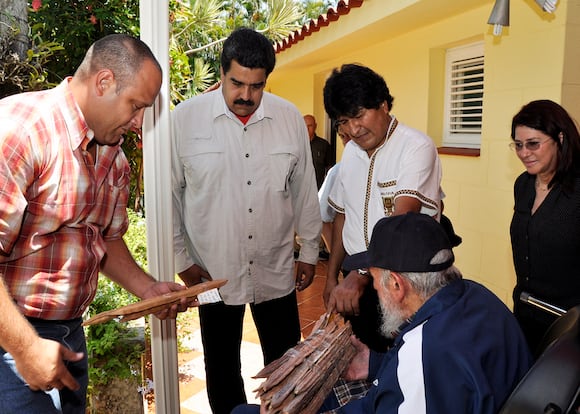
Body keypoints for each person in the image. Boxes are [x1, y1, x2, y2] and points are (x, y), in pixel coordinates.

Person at [0, 34, 191, 414]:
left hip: (70, 334)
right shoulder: (20, 131)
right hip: (11, 338)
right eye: (136, 106)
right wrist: (25, 348)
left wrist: (148, 289)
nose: (139, 123)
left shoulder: (113, 158)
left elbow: (105, 240)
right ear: (103, 82)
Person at [232, 212, 533, 414]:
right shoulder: (477, 296)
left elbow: (420, 380)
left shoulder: (426, 349)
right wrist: (376, 364)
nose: (374, 288)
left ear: (397, 284)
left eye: (374, 278)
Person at [171, 27, 321, 414]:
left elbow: (305, 190)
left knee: (287, 364)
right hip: (209, 271)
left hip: (274, 266)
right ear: (221, 72)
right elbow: (169, 194)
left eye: (256, 86)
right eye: (237, 83)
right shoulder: (184, 120)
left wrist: (309, 251)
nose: (246, 96)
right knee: (220, 366)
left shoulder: (288, 118)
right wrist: (181, 261)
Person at [322, 63, 443, 353]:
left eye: (359, 115)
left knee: (403, 363)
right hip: (359, 281)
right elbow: (342, 216)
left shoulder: (416, 147)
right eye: (343, 122)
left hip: (406, 286)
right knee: (363, 360)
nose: (353, 129)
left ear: (383, 105)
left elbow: (402, 219)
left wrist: (361, 274)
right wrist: (331, 277)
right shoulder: (350, 152)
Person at [509, 99, 580, 354]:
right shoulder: (523, 185)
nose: (524, 152)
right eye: (518, 145)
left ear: (560, 138)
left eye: (533, 144)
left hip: (569, 325)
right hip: (526, 314)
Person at [318, 127, 351, 254]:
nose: (347, 142)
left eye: (350, 135)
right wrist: (337, 261)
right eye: (343, 137)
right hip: (353, 259)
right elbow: (322, 217)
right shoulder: (338, 171)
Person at [305, 114, 334, 189]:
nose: (307, 128)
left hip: (318, 189)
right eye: (304, 126)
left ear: (315, 126)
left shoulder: (323, 145)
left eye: (310, 126)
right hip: (300, 191)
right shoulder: (296, 144)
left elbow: (329, 168)